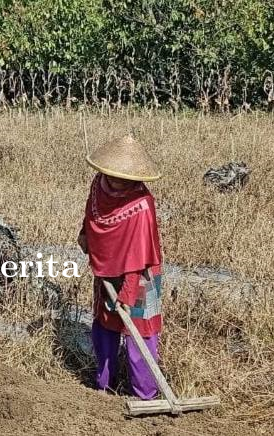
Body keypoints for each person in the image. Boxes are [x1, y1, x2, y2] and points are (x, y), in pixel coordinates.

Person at [77, 135, 163, 400]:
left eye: (123, 178)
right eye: (111, 175)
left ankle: (144, 393)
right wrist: (85, 234)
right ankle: (104, 387)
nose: (114, 182)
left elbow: (139, 253)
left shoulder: (141, 205)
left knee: (140, 333)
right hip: (106, 269)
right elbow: (91, 217)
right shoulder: (99, 186)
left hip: (138, 276)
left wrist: (127, 292)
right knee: (105, 326)